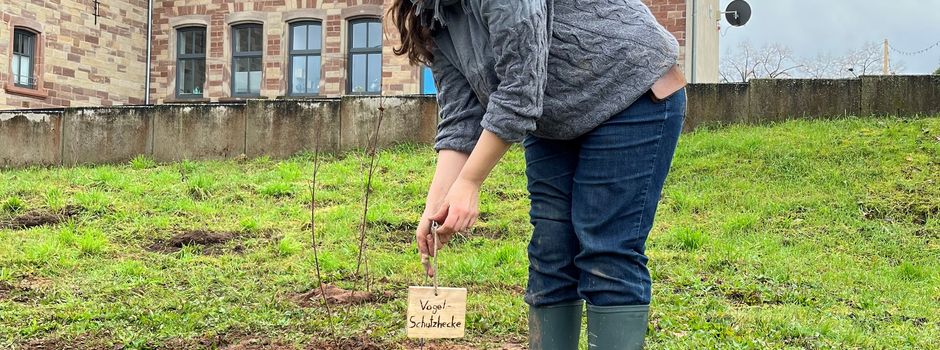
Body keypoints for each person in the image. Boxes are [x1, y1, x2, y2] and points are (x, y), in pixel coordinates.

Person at [391, 0, 687, 348]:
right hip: (554, 120)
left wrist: (470, 182)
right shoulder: (430, 11)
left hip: (630, 90)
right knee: (551, 256)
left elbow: (521, 88)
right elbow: (461, 113)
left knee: (607, 251)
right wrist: (436, 202)